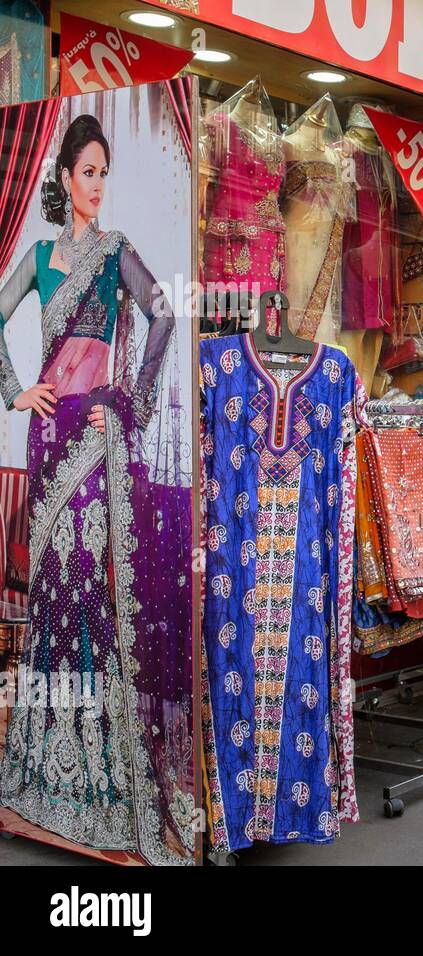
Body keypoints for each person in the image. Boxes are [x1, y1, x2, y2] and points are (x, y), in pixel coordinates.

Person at [0, 114, 190, 863]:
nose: (98, 186)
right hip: (49, 438)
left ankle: (99, 777)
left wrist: (131, 398)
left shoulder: (115, 254)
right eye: (87, 173)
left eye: (105, 173)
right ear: (64, 180)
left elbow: (166, 314)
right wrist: (17, 392)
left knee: (88, 592)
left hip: (96, 437)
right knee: (52, 596)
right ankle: (44, 769)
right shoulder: (42, 256)